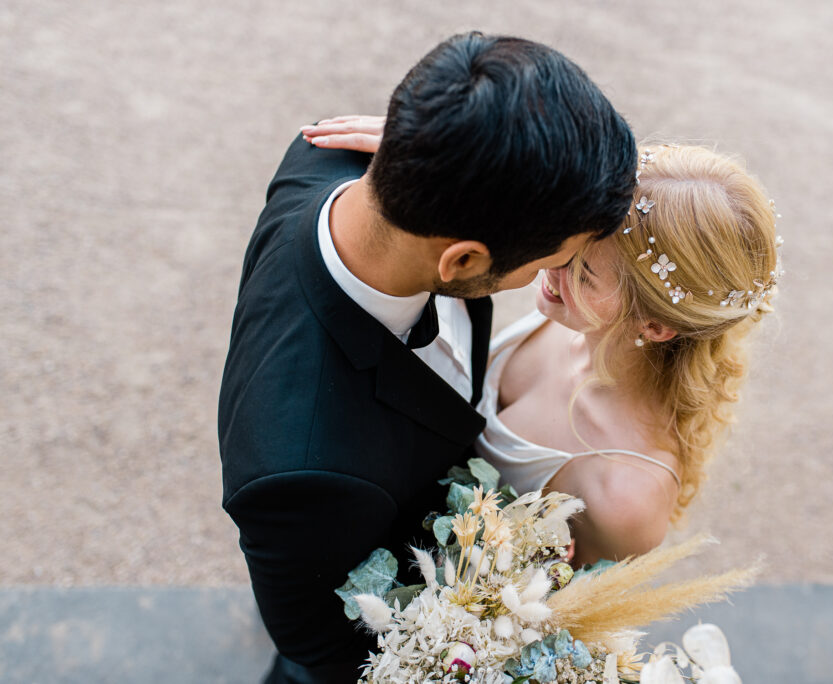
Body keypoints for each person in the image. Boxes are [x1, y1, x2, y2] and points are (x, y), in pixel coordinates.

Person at [218, 33, 636, 684]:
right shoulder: (302, 473)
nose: (553, 278)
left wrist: (456, 156)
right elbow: (327, 647)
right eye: (550, 262)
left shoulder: (346, 164)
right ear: (464, 259)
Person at [304, 121, 782, 567]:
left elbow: (560, 623)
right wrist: (429, 164)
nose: (549, 258)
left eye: (583, 272)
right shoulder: (577, 310)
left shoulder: (626, 498)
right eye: (566, 238)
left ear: (655, 325)